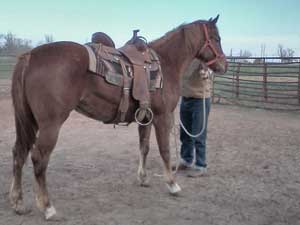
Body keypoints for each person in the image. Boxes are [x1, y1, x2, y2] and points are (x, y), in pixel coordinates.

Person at [176, 58, 213, 177]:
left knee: (198, 134)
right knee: (184, 132)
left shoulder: (204, 56)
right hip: (185, 97)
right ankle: (186, 160)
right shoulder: (185, 57)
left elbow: (212, 68)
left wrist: (207, 72)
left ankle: (201, 165)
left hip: (200, 99)